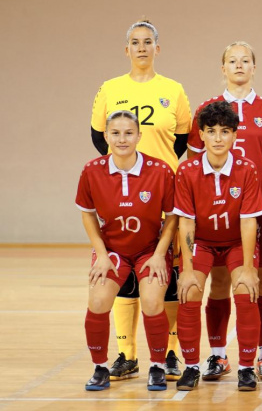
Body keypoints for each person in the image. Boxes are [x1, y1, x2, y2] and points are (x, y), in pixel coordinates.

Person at [90, 19, 191, 381]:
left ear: (157, 48)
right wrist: (127, 167)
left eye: (148, 41)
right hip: (123, 192)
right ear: (127, 49)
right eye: (135, 42)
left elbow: (181, 141)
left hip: (165, 192)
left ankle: (170, 353)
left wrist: (156, 170)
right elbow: (100, 138)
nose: (142, 47)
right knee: (124, 275)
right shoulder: (110, 88)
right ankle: (125, 353)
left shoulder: (174, 90)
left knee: (167, 274)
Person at [187, 41, 262, 382]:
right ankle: (216, 356)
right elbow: (193, 158)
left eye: (245, 61)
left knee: (261, 282)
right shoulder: (207, 108)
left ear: (254, 68)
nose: (239, 66)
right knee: (218, 282)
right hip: (217, 210)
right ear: (223, 68)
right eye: (232, 60)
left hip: (260, 209)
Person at [77, 110, 177, 391]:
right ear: (106, 136)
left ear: (139, 136)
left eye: (128, 133)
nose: (122, 139)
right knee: (97, 301)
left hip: (149, 249)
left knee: (153, 301)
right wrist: (101, 254)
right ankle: (99, 367)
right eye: (116, 133)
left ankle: (157, 366)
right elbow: (87, 214)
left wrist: (159, 254)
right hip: (113, 251)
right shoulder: (92, 170)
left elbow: (171, 217)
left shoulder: (159, 170)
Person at [173, 101, 262, 391]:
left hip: (236, 242)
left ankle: (246, 368)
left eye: (224, 131)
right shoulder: (187, 171)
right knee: (188, 292)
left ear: (235, 135)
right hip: (202, 242)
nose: (217, 138)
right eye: (211, 131)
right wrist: (186, 269)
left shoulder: (246, 169)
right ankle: (190, 367)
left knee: (246, 291)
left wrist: (250, 268)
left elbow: (249, 222)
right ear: (200, 134)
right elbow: (186, 224)